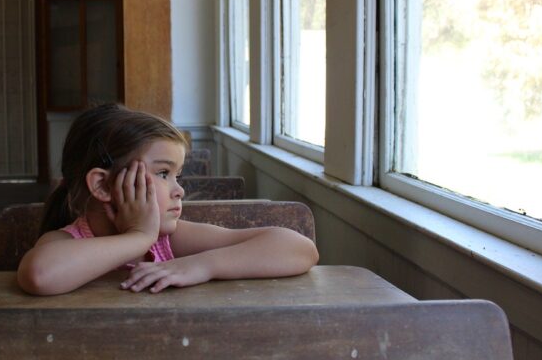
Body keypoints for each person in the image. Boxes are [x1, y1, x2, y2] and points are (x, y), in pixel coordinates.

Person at [17, 103, 319, 296]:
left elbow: (299, 248)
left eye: (178, 176)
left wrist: (202, 266)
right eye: (163, 173)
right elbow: (40, 275)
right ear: (103, 185)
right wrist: (138, 237)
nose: (179, 190)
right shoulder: (66, 241)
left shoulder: (168, 242)